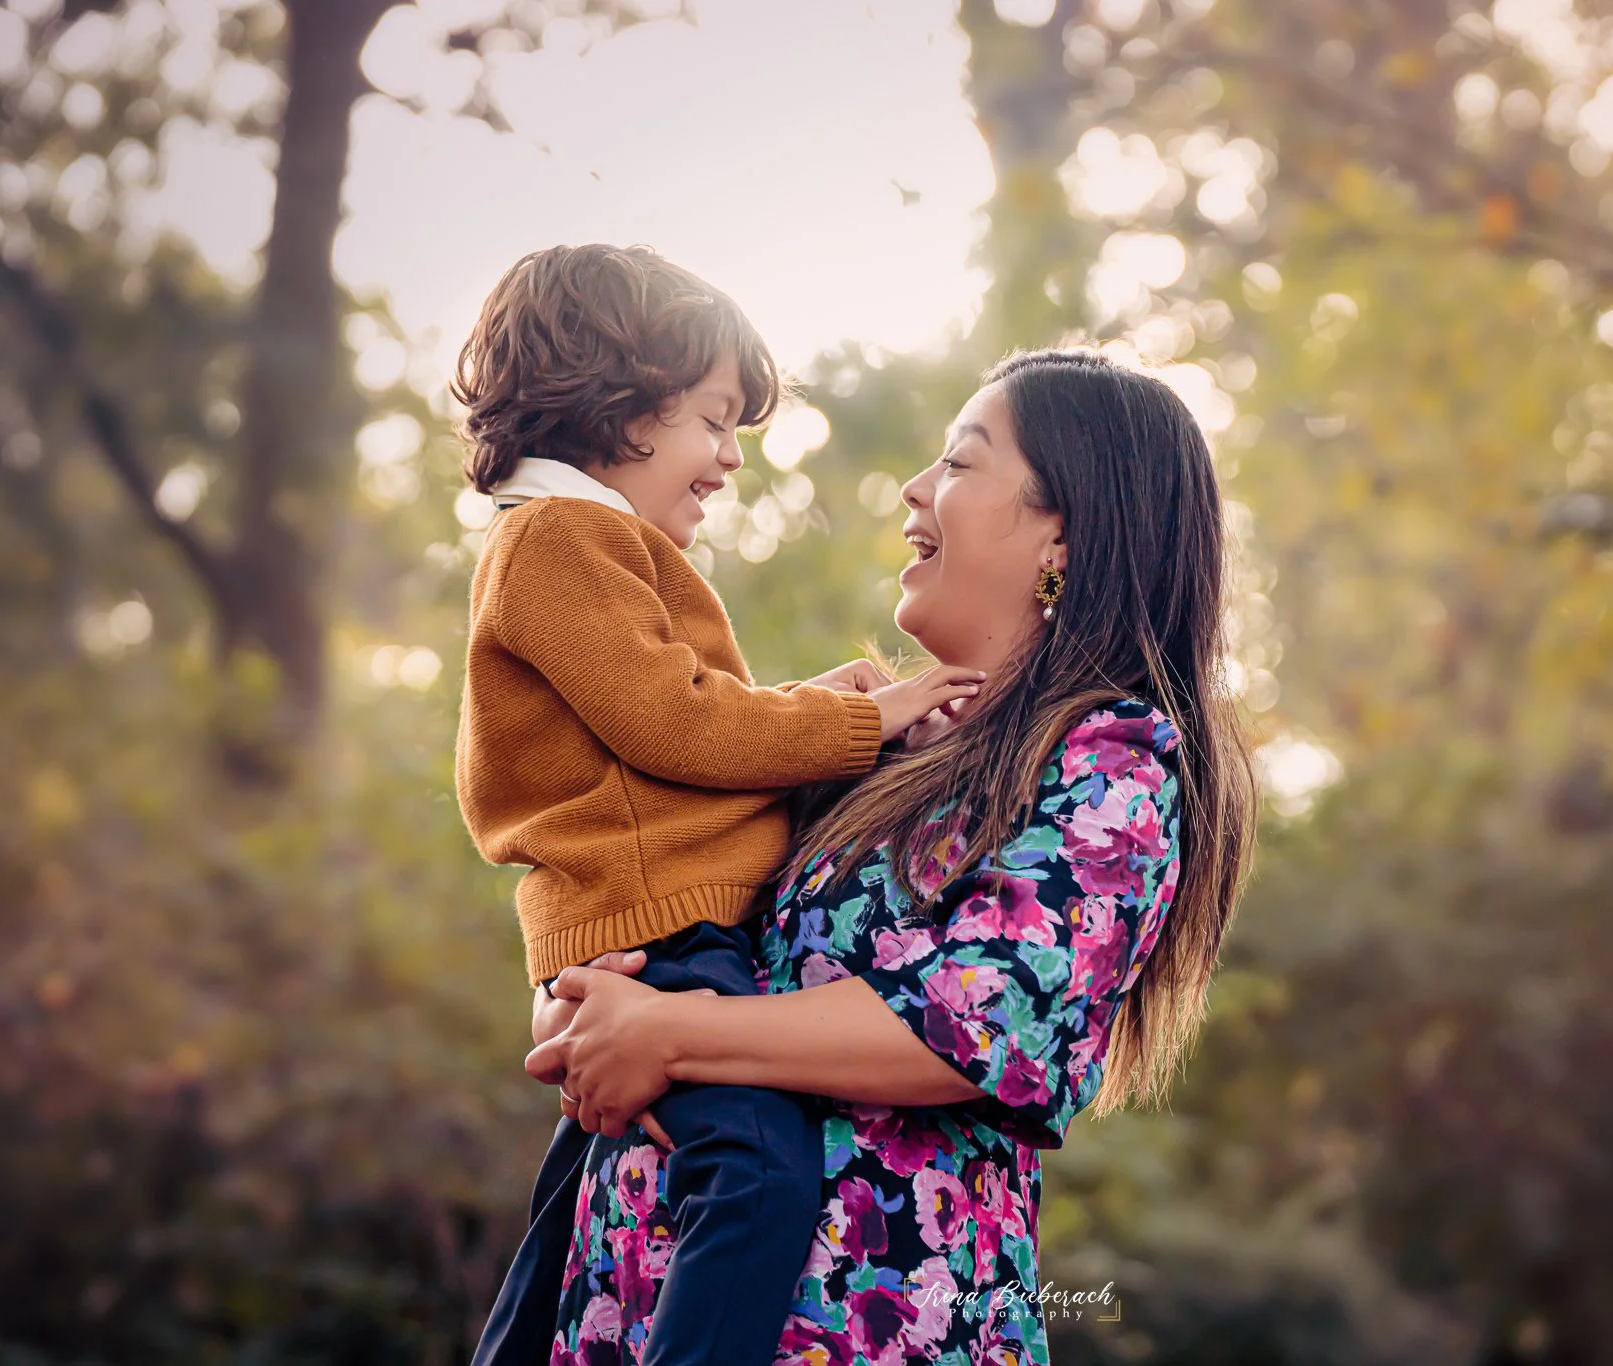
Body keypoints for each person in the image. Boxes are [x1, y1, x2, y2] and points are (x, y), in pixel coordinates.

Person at [526, 348, 1259, 1364]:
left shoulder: (1110, 760)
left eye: (960, 465)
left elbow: (970, 1021)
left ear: (1066, 531)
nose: (914, 489)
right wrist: (579, 1006)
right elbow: (651, 892)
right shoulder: (868, 747)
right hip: (633, 1303)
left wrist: (672, 1034)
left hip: (855, 1325)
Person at [449, 243, 986, 1366]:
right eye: (712, 420)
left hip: (661, 927)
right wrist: (865, 722)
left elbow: (674, 728)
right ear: (617, 407)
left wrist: (824, 712)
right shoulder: (559, 539)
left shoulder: (589, 546)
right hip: (660, 934)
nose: (729, 458)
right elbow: (683, 725)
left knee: (581, 1192)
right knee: (755, 1175)